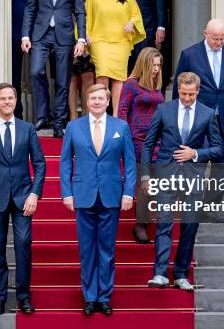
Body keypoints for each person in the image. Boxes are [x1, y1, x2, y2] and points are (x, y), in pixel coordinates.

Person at [60, 84, 136, 316]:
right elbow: (65, 163)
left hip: (111, 195)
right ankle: (89, 297)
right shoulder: (74, 127)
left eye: (100, 98)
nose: (96, 102)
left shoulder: (120, 127)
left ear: (108, 101)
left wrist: (128, 192)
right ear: (86, 100)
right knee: (86, 249)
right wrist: (67, 193)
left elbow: (130, 163)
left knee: (107, 249)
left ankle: (104, 296)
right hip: (83, 195)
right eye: (92, 98)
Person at [142, 72, 223, 290]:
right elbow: (148, 144)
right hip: (165, 174)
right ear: (178, 90)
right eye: (183, 93)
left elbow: (218, 148)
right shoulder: (164, 110)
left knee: (189, 225)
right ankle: (159, 273)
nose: (186, 98)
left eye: (191, 94)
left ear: (198, 91)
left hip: (193, 176)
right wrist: (146, 175)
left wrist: (195, 153)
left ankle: (180, 274)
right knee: (164, 223)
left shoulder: (207, 113)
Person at [0, 83, 46, 316]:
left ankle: (24, 296)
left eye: (11, 98)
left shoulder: (27, 129)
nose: (7, 102)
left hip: (23, 198)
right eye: (2, 98)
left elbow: (40, 164)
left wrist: (34, 193)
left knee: (23, 246)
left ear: (16, 101)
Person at [172, 18, 224, 206]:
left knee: (222, 166)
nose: (219, 43)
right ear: (205, 34)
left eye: (222, 39)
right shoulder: (190, 55)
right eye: (215, 39)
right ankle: (191, 205)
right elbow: (179, 88)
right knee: (196, 165)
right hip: (198, 121)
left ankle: (210, 208)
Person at [21, 0, 86, 138]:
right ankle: (43, 116)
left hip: (64, 34)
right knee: (35, 71)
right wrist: (25, 35)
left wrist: (81, 38)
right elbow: (30, 8)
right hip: (41, 33)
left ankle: (58, 121)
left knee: (62, 80)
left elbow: (80, 12)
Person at [117, 47, 164, 244]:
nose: (156, 68)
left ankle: (147, 219)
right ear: (144, 64)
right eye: (153, 64)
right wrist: (124, 141)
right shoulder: (131, 85)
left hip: (158, 140)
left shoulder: (156, 85)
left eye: (159, 65)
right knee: (145, 182)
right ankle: (141, 224)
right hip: (137, 140)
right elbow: (122, 112)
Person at [85, 0, 145, 117]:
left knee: (118, 80)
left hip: (121, 42)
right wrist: (85, 34)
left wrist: (131, 23)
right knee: (102, 75)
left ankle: (117, 116)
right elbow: (85, 16)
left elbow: (136, 14)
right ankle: (101, 113)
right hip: (100, 41)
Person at [66, 0, 99, 120]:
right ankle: (72, 117)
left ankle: (87, 116)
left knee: (88, 75)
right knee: (70, 78)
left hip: (88, 31)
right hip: (67, 31)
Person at [12, 0, 43, 119]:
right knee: (14, 75)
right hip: (14, 30)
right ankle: (17, 115)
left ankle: (41, 116)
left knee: (38, 73)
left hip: (36, 31)